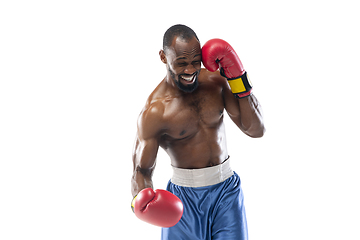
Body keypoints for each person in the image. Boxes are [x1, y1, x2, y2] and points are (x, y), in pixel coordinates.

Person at [131, 24, 265, 240]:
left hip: (226, 192)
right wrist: (140, 200)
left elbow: (255, 130)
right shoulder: (155, 112)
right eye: (181, 63)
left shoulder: (215, 82)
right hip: (183, 201)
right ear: (164, 57)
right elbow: (141, 171)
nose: (190, 70)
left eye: (195, 62)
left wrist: (238, 78)